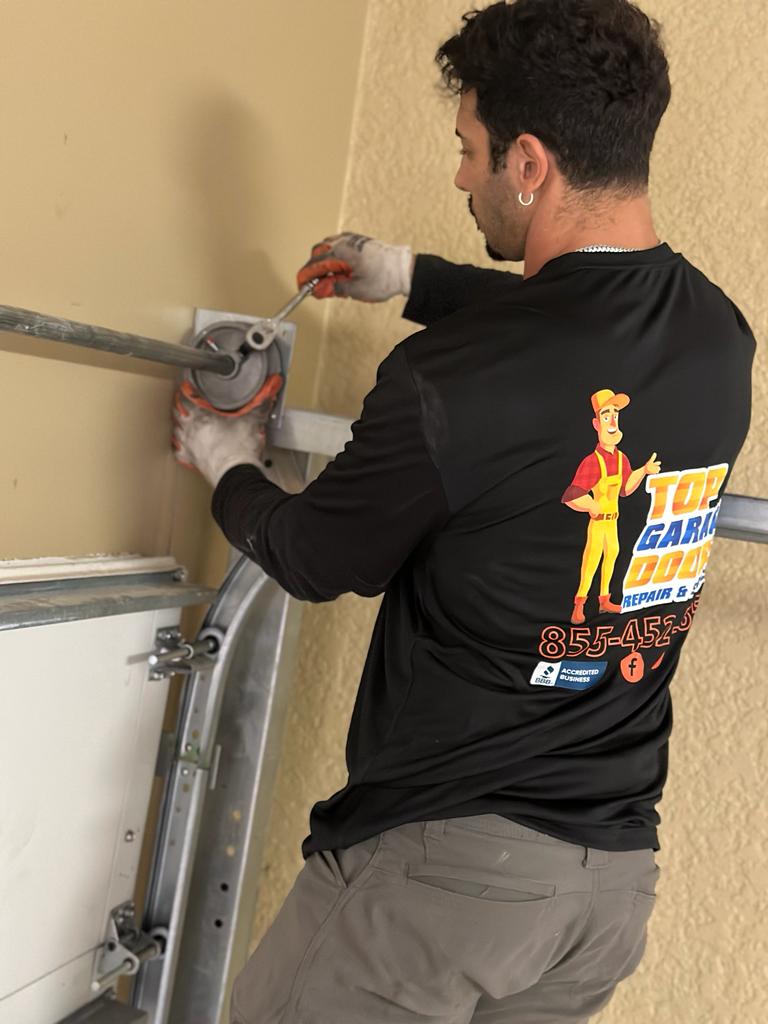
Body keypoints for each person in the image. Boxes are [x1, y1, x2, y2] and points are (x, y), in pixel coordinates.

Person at [172, 2, 755, 1021]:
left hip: (441, 885)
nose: (458, 178)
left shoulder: (452, 378)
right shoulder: (718, 336)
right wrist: (408, 277)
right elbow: (576, 331)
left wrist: (224, 460)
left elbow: (313, 555)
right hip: (605, 893)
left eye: (468, 149)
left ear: (529, 163)